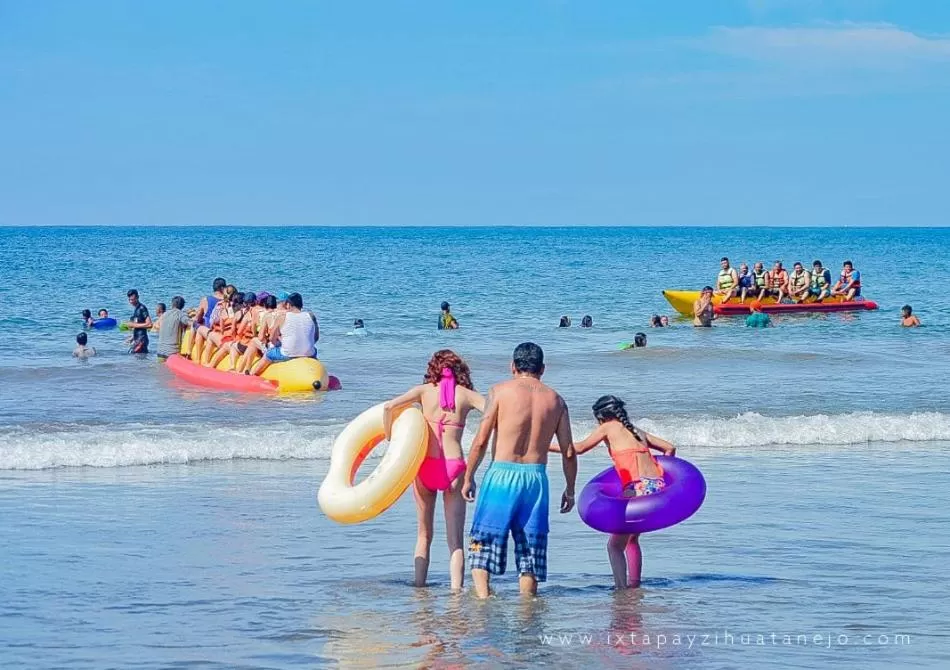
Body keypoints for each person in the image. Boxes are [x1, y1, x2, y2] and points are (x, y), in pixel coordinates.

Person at [463, 342, 577, 598]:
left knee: (483, 543)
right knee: (530, 551)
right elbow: (569, 452)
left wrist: (469, 476)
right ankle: (528, 608)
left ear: (512, 366)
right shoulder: (556, 400)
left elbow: (481, 440)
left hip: (501, 475)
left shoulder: (499, 391)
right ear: (543, 369)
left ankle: (483, 601)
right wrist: (570, 490)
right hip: (536, 479)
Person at [383, 350, 486, 590]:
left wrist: (390, 438)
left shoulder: (423, 392)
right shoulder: (466, 395)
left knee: (423, 534)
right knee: (455, 542)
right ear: (459, 370)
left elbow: (389, 407)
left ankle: (419, 587)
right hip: (454, 467)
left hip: (425, 467)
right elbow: (494, 413)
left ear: (433, 368)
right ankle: (456, 592)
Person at [551, 395, 675, 589]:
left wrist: (544, 446)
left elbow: (580, 448)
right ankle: (635, 583)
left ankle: (621, 589)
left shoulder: (609, 427)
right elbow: (669, 448)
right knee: (632, 539)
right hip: (656, 487)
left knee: (614, 545)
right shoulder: (635, 430)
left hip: (636, 488)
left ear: (602, 417)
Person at [251, 292, 319, 376]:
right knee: (315, 350)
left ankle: (253, 374)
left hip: (287, 353)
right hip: (310, 353)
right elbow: (316, 337)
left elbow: (272, 338)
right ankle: (316, 371)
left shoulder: (282, 317)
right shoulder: (311, 316)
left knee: (269, 354)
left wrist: (280, 344)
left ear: (288, 305)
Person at [192, 278, 228, 361]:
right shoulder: (227, 301)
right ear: (223, 288)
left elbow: (198, 318)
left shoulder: (206, 300)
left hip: (209, 327)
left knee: (195, 325)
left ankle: (192, 353)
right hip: (222, 329)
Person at [124, 289, 152, 354]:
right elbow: (139, 326)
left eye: (133, 299)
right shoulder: (136, 309)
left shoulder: (142, 308)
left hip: (142, 340)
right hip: (138, 339)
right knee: (137, 360)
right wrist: (133, 337)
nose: (131, 301)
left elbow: (149, 324)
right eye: (130, 300)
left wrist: (132, 325)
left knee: (135, 356)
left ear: (137, 297)